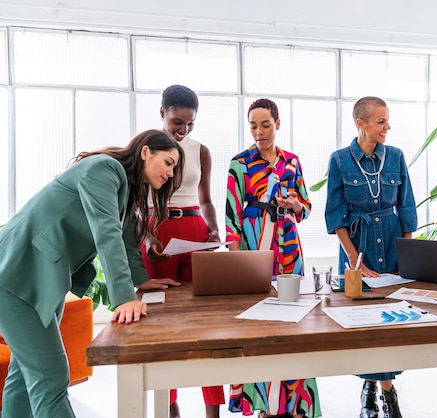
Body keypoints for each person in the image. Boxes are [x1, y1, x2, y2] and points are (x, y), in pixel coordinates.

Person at [0, 129, 184, 417]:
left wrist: (141, 282)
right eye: (169, 163)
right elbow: (106, 232)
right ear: (146, 151)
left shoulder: (125, 188)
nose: (171, 173)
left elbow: (124, 238)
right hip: (15, 271)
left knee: (24, 376)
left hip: (41, 275)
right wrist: (124, 299)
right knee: (51, 376)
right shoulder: (104, 169)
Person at [225, 98, 320, 418]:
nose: (259, 131)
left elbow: (305, 208)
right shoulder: (240, 163)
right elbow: (231, 217)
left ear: (277, 124)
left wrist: (294, 205)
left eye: (265, 124)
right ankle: (262, 403)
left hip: (290, 247)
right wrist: (237, 261)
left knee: (294, 322)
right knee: (257, 323)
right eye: (253, 125)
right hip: (256, 246)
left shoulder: (292, 162)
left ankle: (295, 403)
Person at [325, 96, 417, 418]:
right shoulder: (339, 161)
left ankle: (381, 392)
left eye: (387, 120)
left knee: (392, 322)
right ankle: (377, 390)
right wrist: (355, 261)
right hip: (356, 249)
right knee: (362, 324)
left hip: (392, 247)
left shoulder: (396, 157)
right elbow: (335, 217)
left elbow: (406, 208)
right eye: (381, 121)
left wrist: (407, 256)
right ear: (361, 124)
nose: (387, 127)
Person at [141, 85, 224, 418]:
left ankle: (212, 408)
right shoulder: (145, 148)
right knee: (162, 321)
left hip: (194, 229)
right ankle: (169, 404)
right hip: (156, 229)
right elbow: (134, 203)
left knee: (205, 320)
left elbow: (205, 198)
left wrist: (214, 229)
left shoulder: (200, 150)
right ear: (162, 112)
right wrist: (147, 238)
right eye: (177, 121)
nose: (183, 130)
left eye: (190, 123)